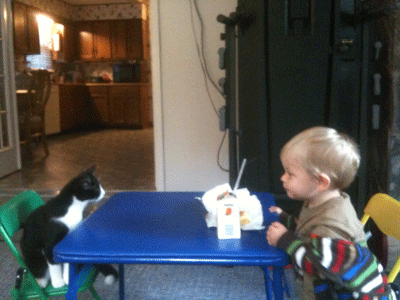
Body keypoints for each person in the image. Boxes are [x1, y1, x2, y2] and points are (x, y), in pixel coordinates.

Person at [266, 126, 395, 299]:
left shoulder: (331, 226)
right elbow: (307, 229)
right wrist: (286, 219)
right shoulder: (319, 200)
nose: (283, 178)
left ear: (320, 182)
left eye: (290, 174)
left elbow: (318, 267)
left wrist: (285, 239)